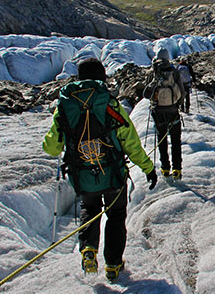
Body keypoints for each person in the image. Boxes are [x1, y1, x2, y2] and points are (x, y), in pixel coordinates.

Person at [42, 58, 157, 281]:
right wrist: (148, 168)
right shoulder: (109, 104)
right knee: (115, 215)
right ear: (102, 76)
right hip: (113, 173)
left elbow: (51, 147)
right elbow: (130, 141)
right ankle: (113, 265)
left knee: (90, 208)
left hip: (82, 174)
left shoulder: (66, 107)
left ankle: (88, 250)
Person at [143, 48, 185, 180]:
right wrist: (178, 105)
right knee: (175, 140)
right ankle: (177, 169)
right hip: (173, 110)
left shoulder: (153, 72)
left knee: (162, 139)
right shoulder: (174, 71)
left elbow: (147, 92)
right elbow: (182, 92)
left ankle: (165, 168)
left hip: (158, 111)